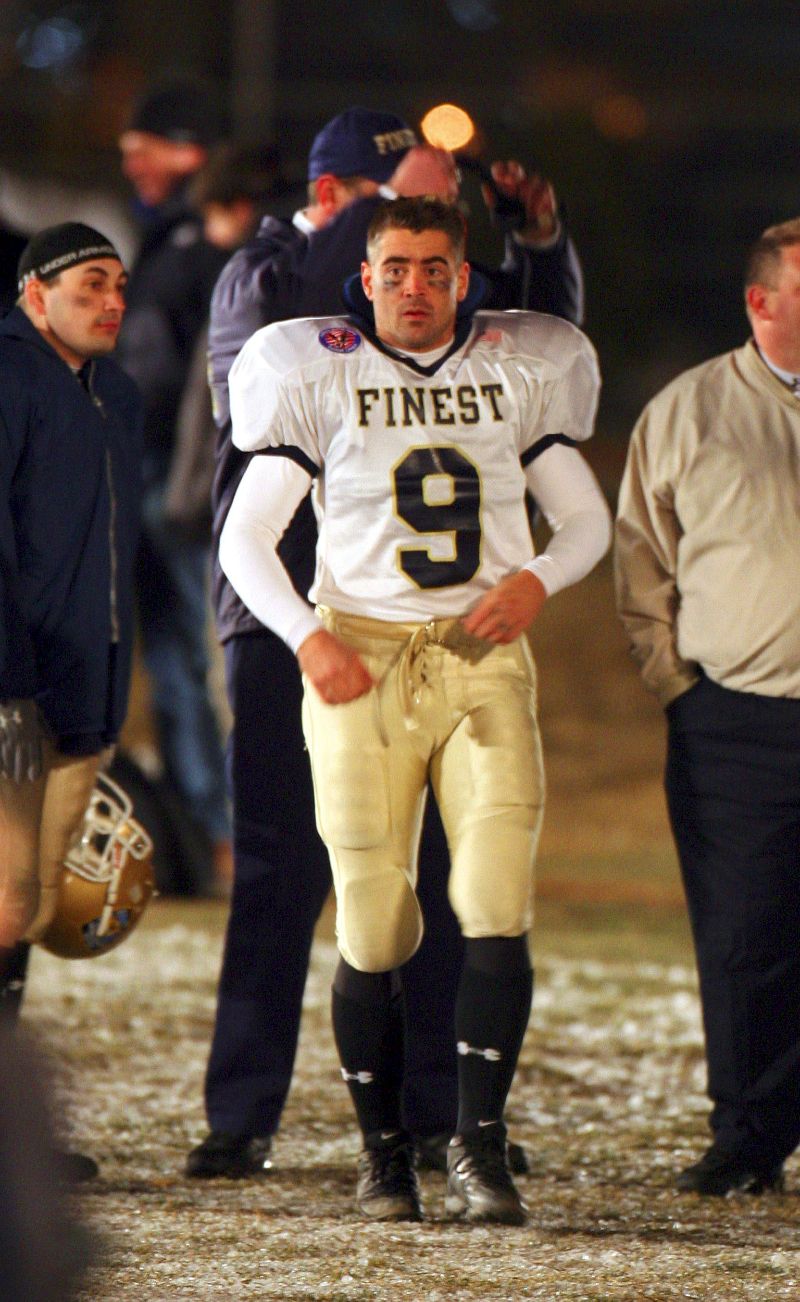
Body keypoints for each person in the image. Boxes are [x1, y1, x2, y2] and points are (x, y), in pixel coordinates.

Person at [187, 105, 588, 1182]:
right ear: (332, 200)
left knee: (456, 877)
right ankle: (242, 1112)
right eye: (399, 209)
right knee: (284, 869)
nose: (419, 262)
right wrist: (382, 225)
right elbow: (325, 320)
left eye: (439, 218)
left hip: (438, 628)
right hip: (290, 616)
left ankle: (439, 1112)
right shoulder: (267, 275)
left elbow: (526, 346)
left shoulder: (425, 273)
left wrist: (535, 240)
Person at [615, 217, 800, 1197]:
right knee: (743, 939)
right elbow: (639, 556)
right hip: (735, 720)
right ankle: (747, 1141)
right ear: (759, 302)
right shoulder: (688, 411)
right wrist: (675, 686)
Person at [0, 222, 143, 1177]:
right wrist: (6, 683)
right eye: (91, 283)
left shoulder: (116, 394)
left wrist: (112, 681)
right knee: (5, 899)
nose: (112, 302)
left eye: (120, 285)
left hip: (82, 683)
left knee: (32, 908)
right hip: (14, 689)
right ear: (33, 293)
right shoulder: (9, 376)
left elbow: (118, 558)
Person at [115, 79, 232, 895]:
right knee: (167, 658)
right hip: (146, 475)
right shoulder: (162, 239)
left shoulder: (208, 246)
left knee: (198, 656)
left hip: (188, 488)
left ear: (188, 151)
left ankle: (224, 835)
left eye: (144, 150)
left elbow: (199, 380)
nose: (133, 166)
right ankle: (196, 835)